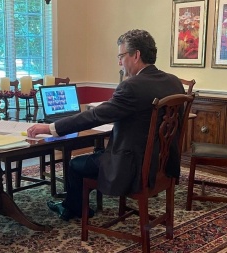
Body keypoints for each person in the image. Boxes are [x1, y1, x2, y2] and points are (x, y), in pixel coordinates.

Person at [27, 29, 185, 221]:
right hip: (161, 163)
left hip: (132, 167)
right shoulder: (173, 82)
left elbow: (95, 116)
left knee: (75, 164)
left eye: (121, 56)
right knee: (97, 155)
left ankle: (74, 209)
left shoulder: (132, 86)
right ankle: (78, 205)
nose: (119, 62)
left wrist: (51, 128)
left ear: (136, 55)